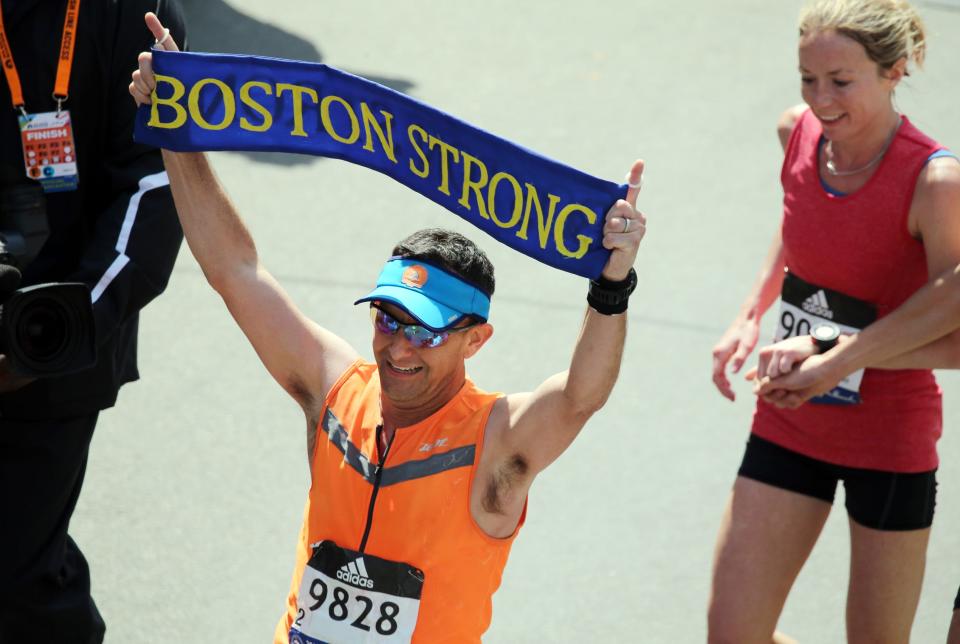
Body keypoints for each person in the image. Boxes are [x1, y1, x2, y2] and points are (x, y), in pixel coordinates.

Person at [129, 12, 646, 642]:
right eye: (387, 319)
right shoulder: (337, 391)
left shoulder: (496, 441)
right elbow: (236, 270)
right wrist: (174, 127)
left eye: (425, 331)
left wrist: (612, 286)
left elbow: (579, 397)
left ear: (475, 339)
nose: (398, 347)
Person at [707, 0, 960, 641]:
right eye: (807, 79)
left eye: (841, 81)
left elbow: (955, 328)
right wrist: (749, 313)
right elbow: (799, 224)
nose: (821, 99)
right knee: (732, 634)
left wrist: (841, 359)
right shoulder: (797, 133)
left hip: (890, 440)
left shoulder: (936, 181)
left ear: (894, 70)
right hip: (791, 415)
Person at [0, 1, 186, 643]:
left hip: (56, 347)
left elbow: (156, 189)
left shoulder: (138, 14)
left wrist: (64, 329)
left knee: (17, 576)